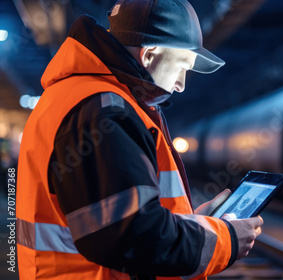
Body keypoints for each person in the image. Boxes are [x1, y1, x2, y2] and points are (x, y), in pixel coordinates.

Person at [16, 0, 263, 279]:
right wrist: (225, 240)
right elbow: (133, 238)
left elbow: (118, 221)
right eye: (182, 66)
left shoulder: (75, 97)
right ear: (149, 55)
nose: (181, 84)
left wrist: (189, 222)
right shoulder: (104, 112)